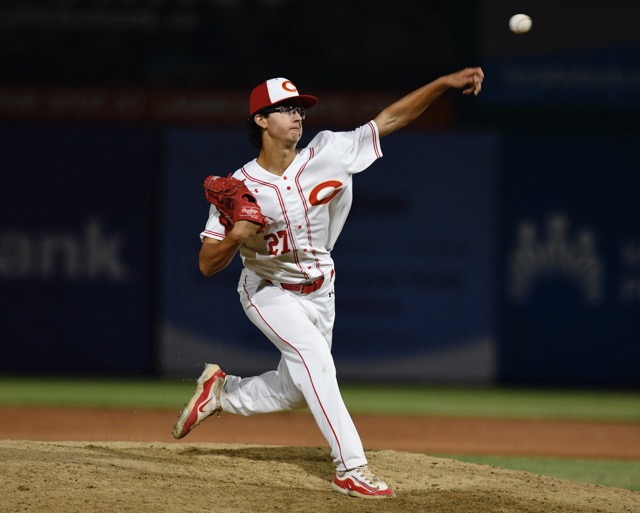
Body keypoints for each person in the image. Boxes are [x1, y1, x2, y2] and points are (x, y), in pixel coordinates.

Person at [172, 68, 484, 499]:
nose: (297, 116)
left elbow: (390, 119)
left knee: (295, 390)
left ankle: (223, 393)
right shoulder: (239, 188)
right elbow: (207, 265)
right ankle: (351, 468)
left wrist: (443, 84)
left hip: (321, 290)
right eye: (284, 109)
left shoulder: (331, 150)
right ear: (261, 121)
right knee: (316, 360)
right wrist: (237, 234)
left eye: (299, 108)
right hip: (267, 289)